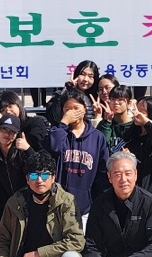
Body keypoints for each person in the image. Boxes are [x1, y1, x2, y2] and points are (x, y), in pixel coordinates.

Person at [44, 88, 110, 222]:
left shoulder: (97, 137)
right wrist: (63, 124)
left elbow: (103, 172)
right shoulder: (58, 132)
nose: (72, 112)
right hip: (57, 205)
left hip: (85, 207)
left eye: (76, 107)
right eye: (67, 109)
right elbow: (53, 147)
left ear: (85, 109)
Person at [118, 96, 152, 202]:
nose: (137, 113)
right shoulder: (129, 135)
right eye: (136, 109)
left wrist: (147, 123)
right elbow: (116, 152)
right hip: (131, 193)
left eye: (142, 111)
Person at [0, 113, 31, 217]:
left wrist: (28, 149)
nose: (7, 134)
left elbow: (41, 166)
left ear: (17, 135)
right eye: (4, 129)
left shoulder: (22, 152)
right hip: (2, 206)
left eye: (12, 131)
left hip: (25, 204)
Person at [44, 60, 98, 126]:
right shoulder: (60, 93)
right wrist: (68, 90)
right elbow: (53, 117)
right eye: (82, 74)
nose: (85, 79)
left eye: (90, 76)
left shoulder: (97, 97)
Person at [96, 84, 137, 149]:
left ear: (129, 103)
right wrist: (107, 122)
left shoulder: (135, 125)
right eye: (112, 99)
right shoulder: (104, 124)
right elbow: (101, 145)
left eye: (120, 99)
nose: (116, 102)